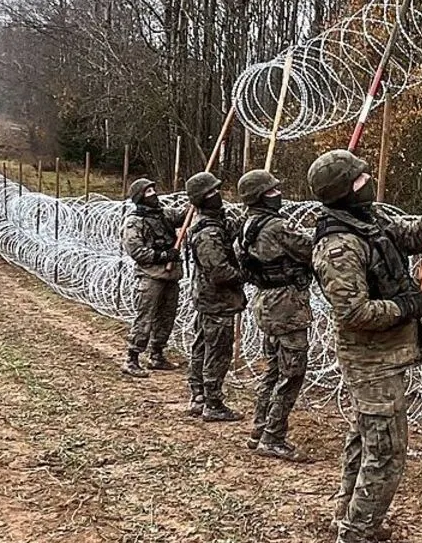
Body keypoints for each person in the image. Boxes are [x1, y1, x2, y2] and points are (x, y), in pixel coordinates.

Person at [307, 149, 422, 543]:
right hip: (370, 359)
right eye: (359, 180)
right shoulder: (338, 246)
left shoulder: (365, 222)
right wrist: (406, 307)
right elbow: (354, 312)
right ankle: (358, 533)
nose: (367, 183)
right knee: (387, 449)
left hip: (387, 354)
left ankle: (349, 515)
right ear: (342, 192)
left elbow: (409, 238)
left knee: (365, 437)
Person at [233, 169, 314, 461]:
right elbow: (310, 249)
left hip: (267, 302)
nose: (277, 195)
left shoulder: (247, 224)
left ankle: (259, 428)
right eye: (271, 192)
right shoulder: (275, 227)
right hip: (286, 307)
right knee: (292, 372)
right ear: (259, 197)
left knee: (273, 371)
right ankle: (273, 436)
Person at [184, 171, 247, 422]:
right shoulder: (207, 233)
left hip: (208, 298)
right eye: (212, 193)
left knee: (203, 344)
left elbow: (230, 231)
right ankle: (212, 402)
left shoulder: (212, 224)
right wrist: (244, 274)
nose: (217, 196)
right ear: (202, 198)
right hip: (216, 299)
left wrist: (247, 216)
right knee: (218, 350)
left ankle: (198, 394)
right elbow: (220, 272)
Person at [121, 177, 184, 378]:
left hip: (170, 276)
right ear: (140, 197)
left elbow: (184, 216)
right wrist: (164, 256)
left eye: (153, 190)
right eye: (148, 192)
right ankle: (132, 358)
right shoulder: (134, 222)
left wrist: (196, 200)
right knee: (145, 317)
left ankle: (157, 354)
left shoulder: (164, 214)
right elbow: (137, 251)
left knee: (166, 317)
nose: (154, 194)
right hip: (150, 277)